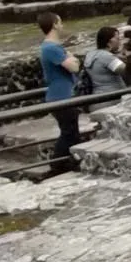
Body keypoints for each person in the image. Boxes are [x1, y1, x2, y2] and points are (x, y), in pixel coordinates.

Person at [36, 12, 81, 175]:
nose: (62, 25)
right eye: (60, 22)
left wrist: (70, 57)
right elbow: (74, 67)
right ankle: (57, 166)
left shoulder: (52, 47)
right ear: (54, 24)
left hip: (63, 94)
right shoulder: (51, 48)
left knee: (71, 131)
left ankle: (64, 164)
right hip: (61, 96)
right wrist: (72, 58)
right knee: (69, 133)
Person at [84, 26, 131, 111]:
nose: (119, 42)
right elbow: (126, 71)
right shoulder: (107, 57)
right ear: (109, 42)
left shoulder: (91, 54)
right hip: (112, 101)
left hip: (97, 100)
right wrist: (130, 57)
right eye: (117, 39)